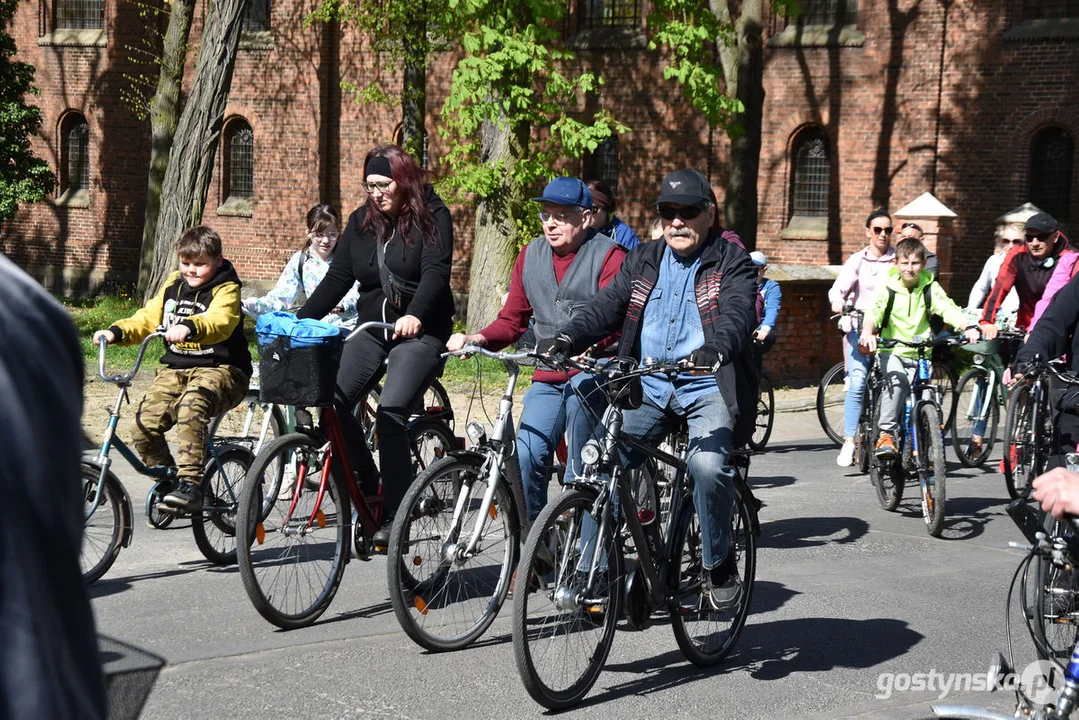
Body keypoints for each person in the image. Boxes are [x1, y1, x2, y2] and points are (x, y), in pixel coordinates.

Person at [548, 168, 759, 610]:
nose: (677, 221)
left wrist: (717, 348)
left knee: (705, 467)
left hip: (706, 386)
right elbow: (606, 307)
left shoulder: (730, 261)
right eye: (667, 212)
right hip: (649, 385)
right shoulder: (644, 257)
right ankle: (594, 572)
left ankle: (718, 564)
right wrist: (569, 336)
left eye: (688, 212)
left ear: (709, 213)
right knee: (600, 467)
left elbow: (739, 313)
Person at [297, 143, 455, 548]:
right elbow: (339, 278)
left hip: (420, 332)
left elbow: (436, 273)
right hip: (373, 326)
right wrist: (300, 320)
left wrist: (416, 313)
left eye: (384, 184)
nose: (376, 193)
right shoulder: (360, 223)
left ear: (403, 181)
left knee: (390, 414)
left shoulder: (433, 216)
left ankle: (397, 514)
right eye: (370, 185)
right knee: (332, 401)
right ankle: (368, 479)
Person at [447, 177, 626, 520]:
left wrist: (586, 348)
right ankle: (536, 550)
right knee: (526, 455)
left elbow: (616, 321)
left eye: (562, 215)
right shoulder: (530, 255)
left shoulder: (610, 257)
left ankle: (594, 564)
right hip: (549, 375)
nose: (551, 223)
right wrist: (478, 338)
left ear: (586, 218)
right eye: (546, 215)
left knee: (582, 467)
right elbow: (512, 320)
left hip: (593, 373)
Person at [1, 254, 107, 719]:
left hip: (212, 367)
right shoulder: (32, 307)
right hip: (55, 676)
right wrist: (120, 330)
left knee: (189, 418)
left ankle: (189, 479)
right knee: (149, 419)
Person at [93, 226, 252, 510]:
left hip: (223, 370)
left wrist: (190, 326)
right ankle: (170, 482)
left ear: (217, 261)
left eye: (200, 264)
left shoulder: (226, 288)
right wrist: (115, 332)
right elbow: (146, 318)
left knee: (191, 406)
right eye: (186, 263)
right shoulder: (173, 285)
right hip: (176, 370)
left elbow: (221, 321)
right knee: (143, 424)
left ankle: (190, 485)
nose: (191, 270)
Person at [859, 238, 980, 457]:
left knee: (929, 397)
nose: (910, 268)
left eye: (915, 263)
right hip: (892, 350)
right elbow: (874, 311)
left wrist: (966, 325)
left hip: (921, 351)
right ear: (896, 263)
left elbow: (946, 307)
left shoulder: (929, 285)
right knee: (897, 381)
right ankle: (886, 434)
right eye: (904, 263)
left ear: (923, 263)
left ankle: (926, 446)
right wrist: (868, 331)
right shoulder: (888, 287)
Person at [828, 209, 897, 467]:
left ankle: (893, 438)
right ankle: (849, 441)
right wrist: (838, 301)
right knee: (857, 383)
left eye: (887, 230)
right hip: (861, 330)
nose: (882, 234)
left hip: (890, 331)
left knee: (895, 383)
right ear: (868, 232)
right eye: (877, 229)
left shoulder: (896, 260)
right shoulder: (858, 260)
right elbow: (839, 288)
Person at [243, 204, 360, 325]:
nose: (326, 241)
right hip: (315, 329)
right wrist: (252, 305)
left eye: (332, 234)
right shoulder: (300, 260)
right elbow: (281, 297)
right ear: (308, 232)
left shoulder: (348, 258)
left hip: (348, 328)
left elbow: (357, 295)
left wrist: (342, 307)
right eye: (319, 235)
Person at [980, 212, 1078, 340]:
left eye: (1042, 237)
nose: (1035, 243)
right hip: (1025, 328)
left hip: (1061, 331)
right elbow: (999, 288)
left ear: (1055, 237)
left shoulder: (1070, 259)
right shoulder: (1017, 256)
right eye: (1029, 238)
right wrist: (987, 321)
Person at [966, 223, 1023, 326]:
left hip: (1020, 318)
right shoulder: (994, 261)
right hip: (998, 317)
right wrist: (971, 309)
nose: (1010, 246)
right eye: (1006, 241)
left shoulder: (1030, 264)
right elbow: (981, 287)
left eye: (1016, 242)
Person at [586, 179, 640, 250]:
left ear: (606, 210)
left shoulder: (624, 235)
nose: (585, 213)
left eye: (592, 209)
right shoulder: (576, 229)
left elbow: (635, 259)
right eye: (582, 207)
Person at [750, 251, 781, 354]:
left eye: (757, 268)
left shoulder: (771, 287)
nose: (752, 272)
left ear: (764, 270)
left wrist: (765, 328)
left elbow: (772, 308)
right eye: (749, 267)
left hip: (759, 330)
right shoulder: (737, 284)